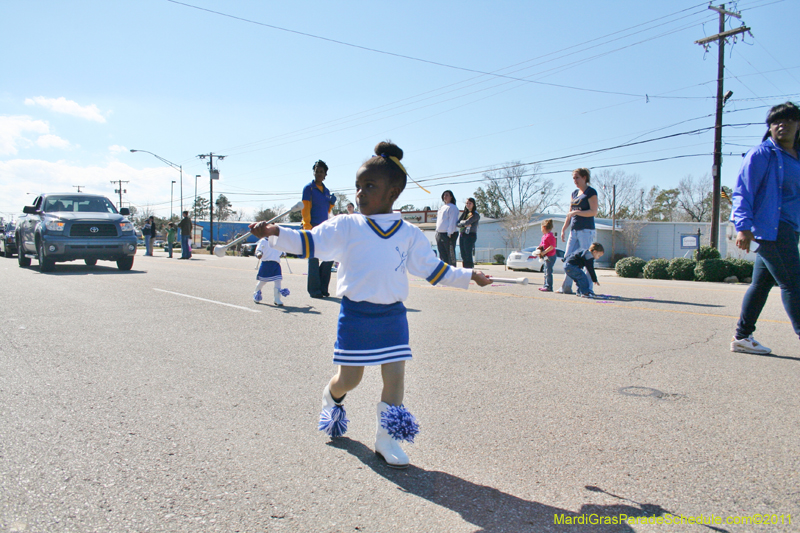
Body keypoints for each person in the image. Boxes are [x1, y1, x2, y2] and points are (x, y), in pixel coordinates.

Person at [249, 141, 493, 468]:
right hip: (356, 315)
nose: (360, 194)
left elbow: (431, 269)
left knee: (395, 376)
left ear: (393, 193)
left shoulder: (408, 233)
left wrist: (469, 274)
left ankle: (387, 439)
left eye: (369, 187)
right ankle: (331, 397)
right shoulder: (347, 225)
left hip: (393, 316)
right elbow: (311, 242)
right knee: (350, 379)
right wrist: (277, 231)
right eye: (358, 187)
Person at [730, 101, 800, 355]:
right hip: (770, 228)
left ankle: (742, 337)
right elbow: (743, 192)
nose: (782, 125)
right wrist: (743, 227)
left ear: (798, 124)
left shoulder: (796, 157)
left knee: (761, 284)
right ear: (769, 127)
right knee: (794, 283)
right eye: (775, 121)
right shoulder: (762, 154)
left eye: (789, 120)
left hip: (790, 228)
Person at [558, 168, 598, 294]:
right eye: (573, 178)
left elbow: (593, 211)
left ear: (584, 177)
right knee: (568, 259)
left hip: (586, 230)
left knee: (587, 259)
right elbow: (569, 214)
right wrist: (564, 228)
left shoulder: (591, 192)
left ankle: (587, 289)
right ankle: (566, 287)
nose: (575, 180)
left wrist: (577, 212)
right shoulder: (574, 193)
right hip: (574, 231)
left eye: (577, 177)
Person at [302, 160, 336, 298]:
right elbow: (305, 210)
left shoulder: (326, 191)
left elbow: (326, 211)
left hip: (325, 228)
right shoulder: (308, 188)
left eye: (321, 171)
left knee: (329, 257)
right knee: (313, 259)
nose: (319, 173)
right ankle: (314, 290)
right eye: (317, 171)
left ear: (325, 174)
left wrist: (331, 204)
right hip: (312, 227)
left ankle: (323, 288)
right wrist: (307, 227)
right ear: (314, 172)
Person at [253, 237, 289, 306]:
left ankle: (277, 299)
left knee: (278, 281)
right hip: (266, 264)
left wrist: (284, 254)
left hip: (276, 264)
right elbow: (258, 250)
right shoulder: (263, 241)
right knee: (263, 281)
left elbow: (280, 252)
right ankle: (256, 293)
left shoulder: (277, 241)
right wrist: (259, 254)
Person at [435, 190, 458, 266]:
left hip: (448, 234)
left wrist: (450, 232)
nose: (445, 196)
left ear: (451, 197)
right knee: (442, 253)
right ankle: (444, 270)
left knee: (450, 254)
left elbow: (452, 221)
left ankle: (452, 271)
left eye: (447, 195)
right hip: (440, 233)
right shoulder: (441, 208)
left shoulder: (453, 207)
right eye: (444, 195)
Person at [457, 197, 480, 268]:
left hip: (470, 235)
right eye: (467, 203)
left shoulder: (475, 214)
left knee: (468, 253)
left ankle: (470, 269)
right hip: (462, 234)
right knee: (463, 253)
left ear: (473, 204)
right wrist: (463, 223)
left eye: (470, 203)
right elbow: (457, 223)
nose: (468, 205)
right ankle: (465, 269)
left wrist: (463, 223)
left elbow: (468, 222)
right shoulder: (465, 213)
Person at [537, 219, 558, 292]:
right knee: (545, 270)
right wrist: (539, 250)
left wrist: (544, 252)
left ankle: (548, 286)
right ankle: (545, 285)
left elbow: (552, 246)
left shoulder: (550, 236)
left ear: (543, 227)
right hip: (546, 256)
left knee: (548, 271)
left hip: (550, 256)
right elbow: (542, 244)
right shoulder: (544, 236)